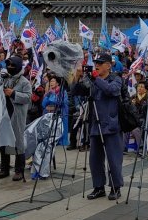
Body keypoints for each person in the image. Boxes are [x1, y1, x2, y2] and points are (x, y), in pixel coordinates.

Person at [74, 53, 124, 201]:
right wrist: (77, 77)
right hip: (95, 124)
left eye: (100, 63)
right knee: (95, 159)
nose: (97, 65)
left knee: (114, 159)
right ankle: (98, 187)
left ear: (108, 65)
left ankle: (116, 187)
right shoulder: (93, 80)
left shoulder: (116, 79)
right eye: (96, 62)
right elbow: (76, 91)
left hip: (111, 125)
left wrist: (96, 78)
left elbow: (111, 90)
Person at [0, 56, 32, 181]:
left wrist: (13, 93)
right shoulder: (6, 79)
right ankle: (4, 168)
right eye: (8, 65)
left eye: (12, 65)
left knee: (18, 143)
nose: (10, 67)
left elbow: (28, 97)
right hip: (4, 115)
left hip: (17, 116)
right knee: (3, 141)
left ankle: (19, 170)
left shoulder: (24, 82)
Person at [41, 76, 69, 146]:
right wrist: (47, 94)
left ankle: (60, 140)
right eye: (50, 81)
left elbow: (62, 102)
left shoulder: (62, 91)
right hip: (49, 113)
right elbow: (43, 104)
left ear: (57, 83)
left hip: (59, 114)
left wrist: (53, 96)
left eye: (53, 81)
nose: (51, 83)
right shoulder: (49, 92)